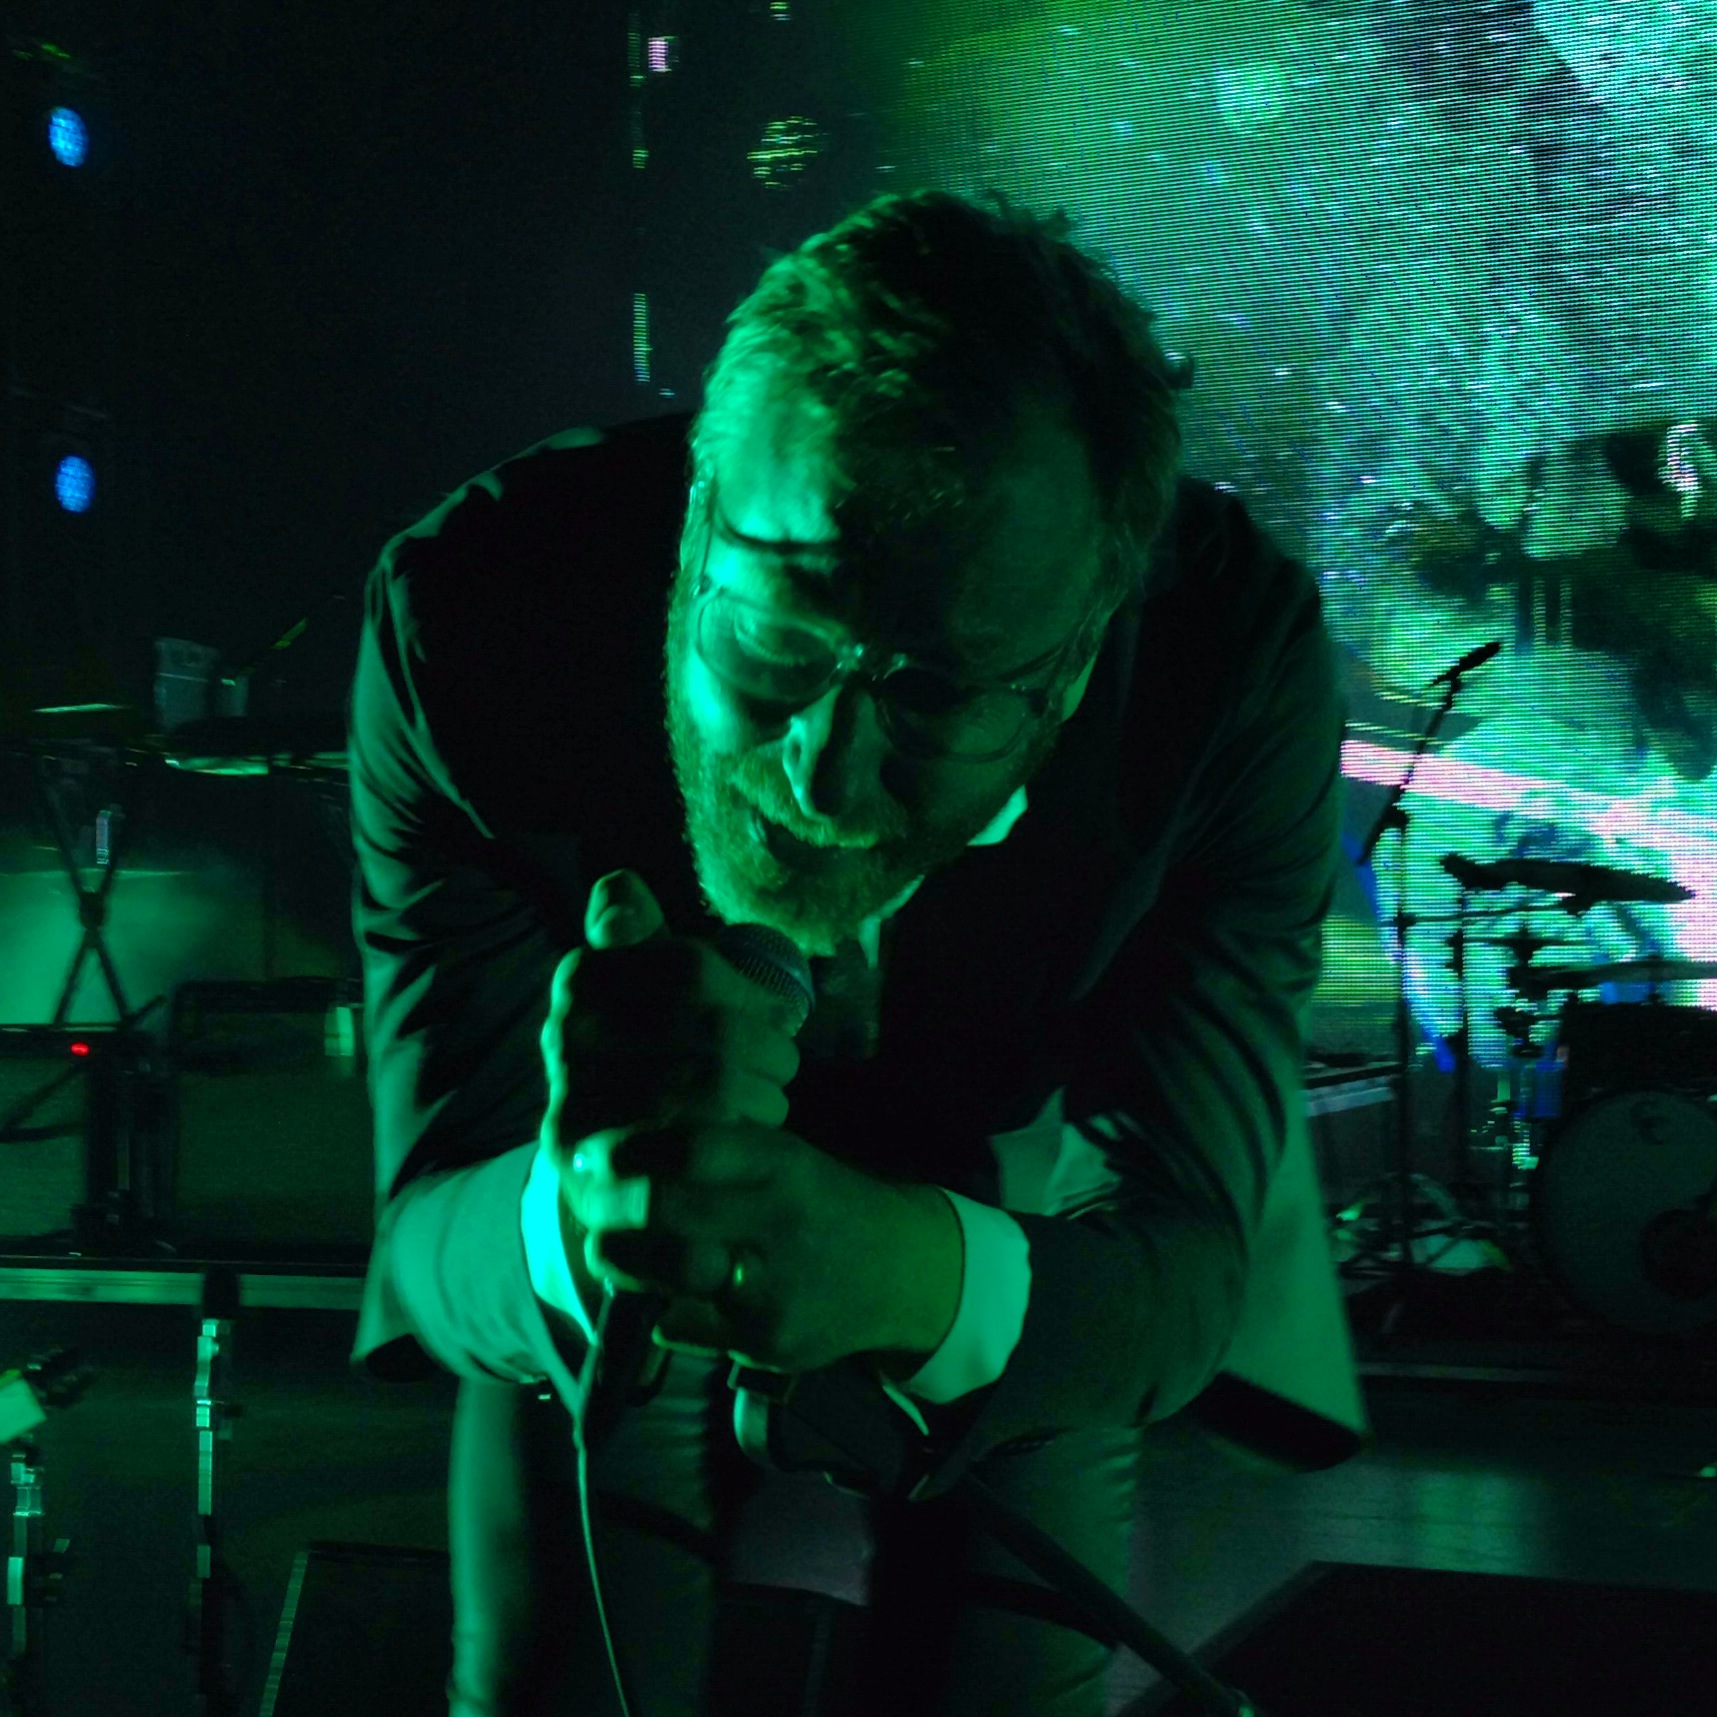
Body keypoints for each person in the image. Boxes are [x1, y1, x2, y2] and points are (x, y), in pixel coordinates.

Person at [346, 189, 1366, 1717]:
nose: (821, 782)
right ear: (698, 528)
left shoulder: (1229, 664)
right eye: (774, 644)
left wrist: (918, 1275)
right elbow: (433, 1223)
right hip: (613, 1203)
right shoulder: (472, 614)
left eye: (938, 694)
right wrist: (581, 1211)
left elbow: (1180, 1244)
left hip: (1013, 1205)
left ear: (1076, 659)